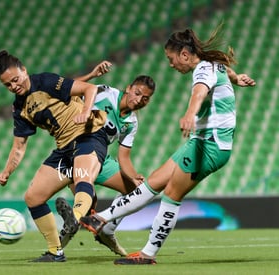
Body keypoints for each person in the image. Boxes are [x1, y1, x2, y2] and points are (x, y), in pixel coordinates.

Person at [79, 24, 256, 265]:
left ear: (184, 54)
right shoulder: (215, 65)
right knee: (154, 182)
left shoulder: (202, 70)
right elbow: (227, 72)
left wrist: (190, 114)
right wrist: (239, 79)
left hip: (211, 144)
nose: (171, 65)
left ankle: (147, 254)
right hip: (202, 141)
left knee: (172, 194)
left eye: (171, 59)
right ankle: (100, 218)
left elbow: (199, 93)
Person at [0, 50, 108, 262]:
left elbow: (90, 88)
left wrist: (85, 110)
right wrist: (7, 171)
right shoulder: (19, 108)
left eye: (15, 80)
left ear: (24, 70)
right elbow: (19, 146)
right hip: (64, 147)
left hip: (87, 136)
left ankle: (76, 217)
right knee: (33, 198)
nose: (13, 86)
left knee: (83, 178)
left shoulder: (45, 81)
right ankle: (56, 251)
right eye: (7, 85)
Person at [56, 61, 156, 256]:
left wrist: (134, 177)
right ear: (128, 88)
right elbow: (70, 89)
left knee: (137, 190)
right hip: (77, 152)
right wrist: (92, 75)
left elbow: (124, 157)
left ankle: (107, 229)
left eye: (145, 98)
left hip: (101, 158)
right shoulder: (106, 92)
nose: (139, 100)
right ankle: (58, 248)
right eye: (137, 93)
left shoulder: (131, 123)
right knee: (85, 204)